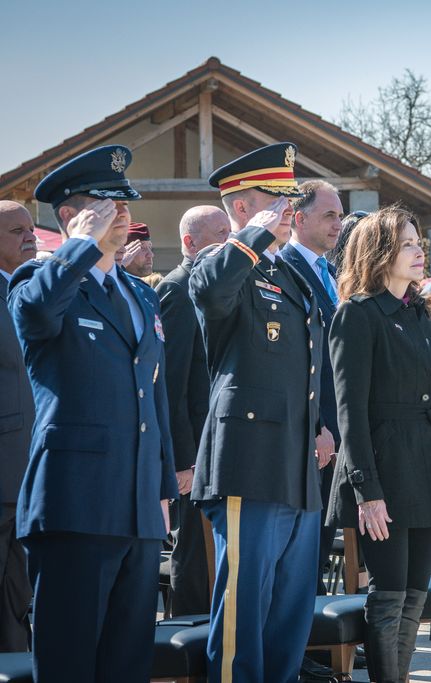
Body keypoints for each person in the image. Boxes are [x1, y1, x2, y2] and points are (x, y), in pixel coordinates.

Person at [10, 145, 177, 680]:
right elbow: (35, 315)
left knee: (128, 662)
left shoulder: (140, 295)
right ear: (70, 215)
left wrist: (162, 489)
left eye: (124, 204)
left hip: (138, 506)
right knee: (70, 660)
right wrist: (78, 246)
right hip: (76, 502)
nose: (121, 214)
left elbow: (153, 394)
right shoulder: (41, 280)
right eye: (105, 205)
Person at [190, 143, 328, 682]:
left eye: (290, 199)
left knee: (289, 611)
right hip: (249, 461)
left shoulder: (288, 275)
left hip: (295, 463)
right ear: (243, 207)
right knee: (244, 610)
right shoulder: (221, 262)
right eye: (276, 199)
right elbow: (209, 292)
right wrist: (249, 238)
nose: (289, 209)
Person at [326, 206, 431, 682]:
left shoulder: (421, 310)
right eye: (406, 244)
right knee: (389, 593)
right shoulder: (357, 314)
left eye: (418, 242)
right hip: (384, 470)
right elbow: (350, 411)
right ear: (380, 252)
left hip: (427, 465)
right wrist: (367, 491)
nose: (418, 251)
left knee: (415, 593)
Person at [154, 205, 229, 616]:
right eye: (219, 234)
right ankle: (189, 635)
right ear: (189, 242)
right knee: (195, 554)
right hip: (194, 450)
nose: (228, 241)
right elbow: (172, 381)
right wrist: (182, 459)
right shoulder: (178, 288)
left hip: (218, 445)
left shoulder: (221, 285)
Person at [281, 179, 345, 596]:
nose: (338, 224)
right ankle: (309, 632)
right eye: (329, 216)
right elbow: (296, 360)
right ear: (299, 219)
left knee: (321, 542)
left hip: (338, 431)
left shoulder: (331, 272)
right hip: (313, 433)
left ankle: (318, 626)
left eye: (340, 216)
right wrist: (318, 424)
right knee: (304, 550)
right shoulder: (285, 269)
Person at [0, 201, 36, 652]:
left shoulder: (33, 290)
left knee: (18, 596)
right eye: (16, 231)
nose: (29, 237)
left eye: (30, 228)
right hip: (3, 468)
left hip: (33, 473)